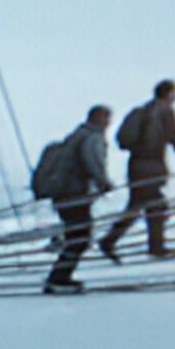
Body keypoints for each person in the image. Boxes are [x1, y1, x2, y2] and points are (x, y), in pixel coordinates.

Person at [102, 78, 175, 261]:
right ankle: (153, 246)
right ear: (169, 93)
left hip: (135, 164)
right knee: (154, 206)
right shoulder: (165, 111)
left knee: (140, 205)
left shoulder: (143, 110)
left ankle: (114, 241)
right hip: (153, 165)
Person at [42, 104, 115, 293]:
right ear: (99, 118)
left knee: (76, 236)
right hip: (74, 194)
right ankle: (59, 278)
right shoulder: (93, 137)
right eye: (107, 118)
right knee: (79, 237)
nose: (109, 123)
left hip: (64, 193)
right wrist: (104, 183)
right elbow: (93, 163)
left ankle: (60, 276)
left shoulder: (77, 134)